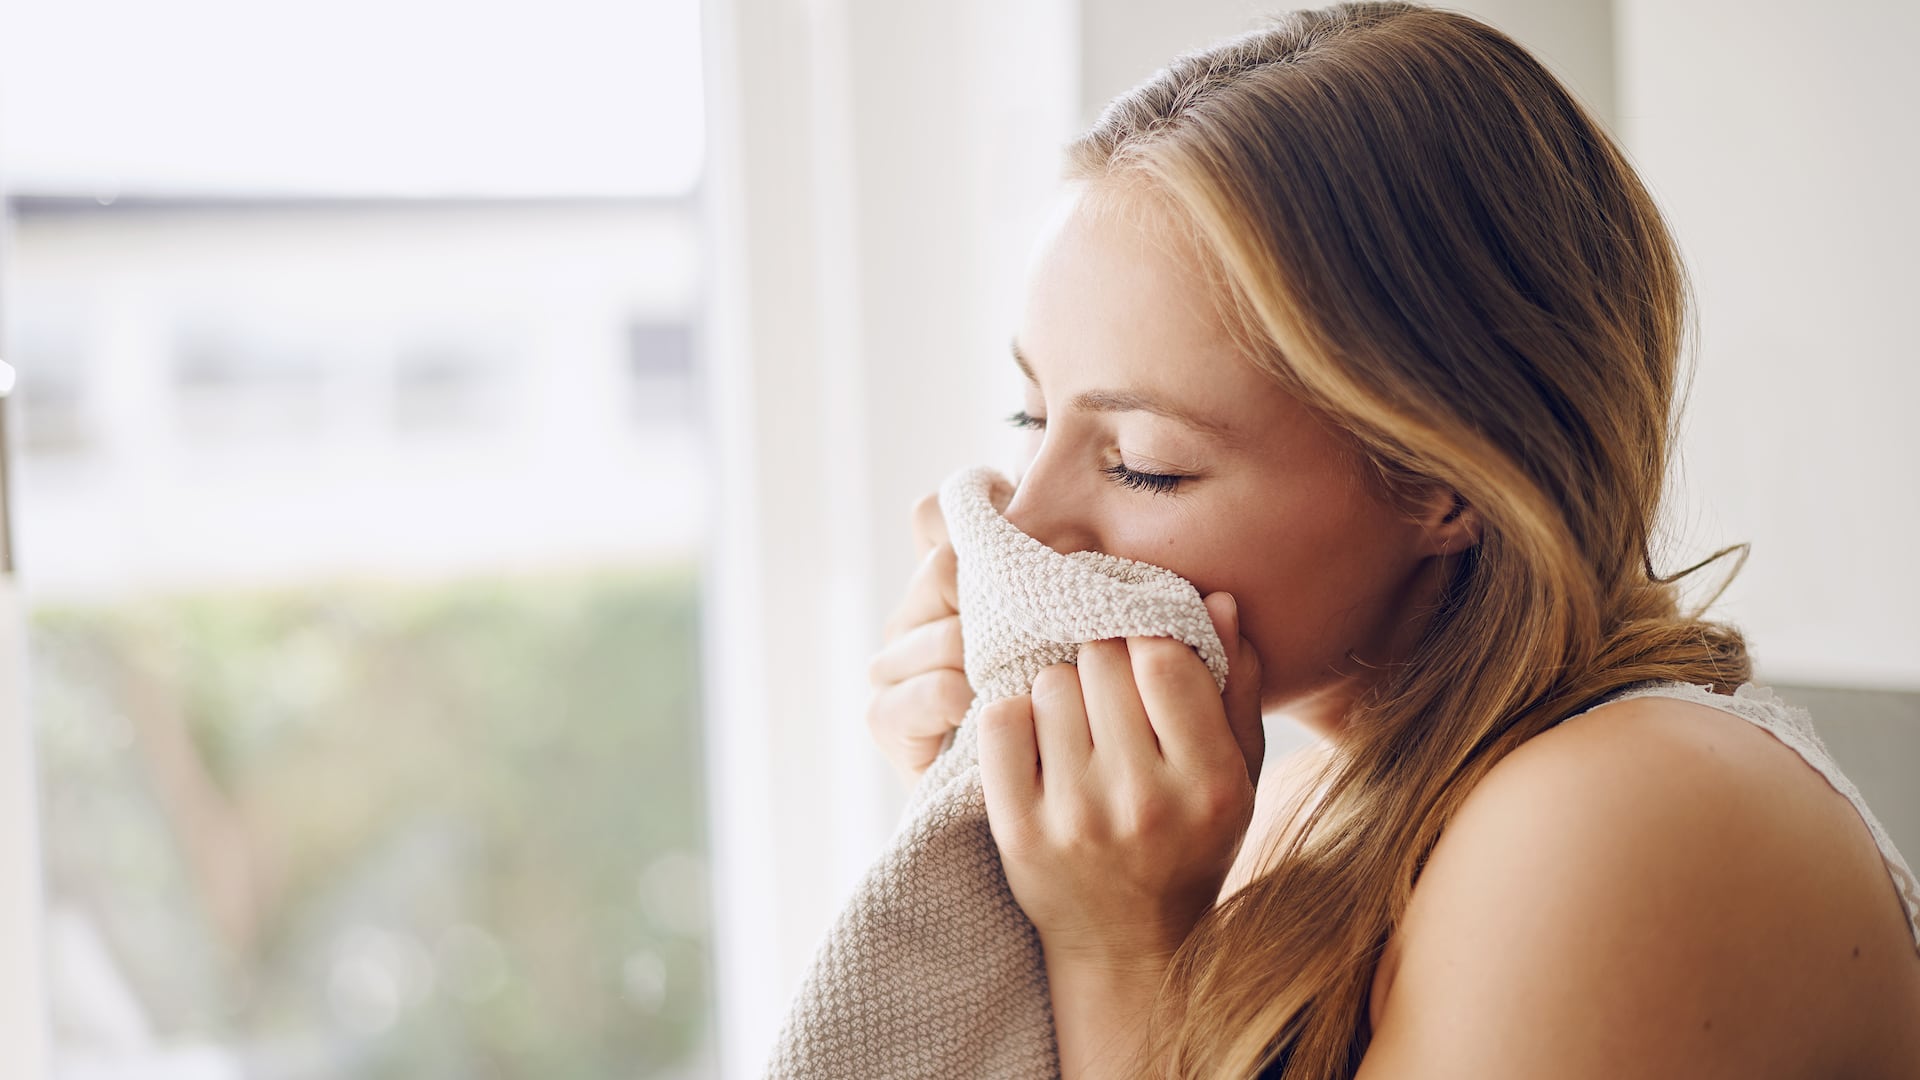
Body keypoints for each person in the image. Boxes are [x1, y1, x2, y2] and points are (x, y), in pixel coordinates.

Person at [862, 3, 1920, 1076]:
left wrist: (1116, 946)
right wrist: (995, 838)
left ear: (1445, 477)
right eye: (1032, 421)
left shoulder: (1622, 814)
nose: (1025, 523)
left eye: (1143, 459)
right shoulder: (1292, 806)